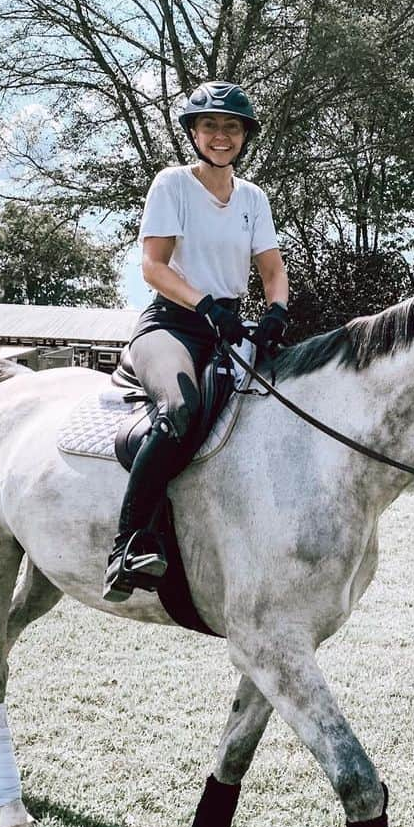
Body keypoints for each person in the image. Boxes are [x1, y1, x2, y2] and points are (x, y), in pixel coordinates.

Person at [103, 81, 289, 602]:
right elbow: (153, 268)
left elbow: (272, 268)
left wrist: (276, 310)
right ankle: (127, 545)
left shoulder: (252, 198)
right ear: (194, 133)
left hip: (226, 328)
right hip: (170, 324)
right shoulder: (172, 184)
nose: (221, 136)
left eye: (232, 127)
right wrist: (205, 304)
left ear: (245, 135)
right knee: (180, 410)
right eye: (210, 126)